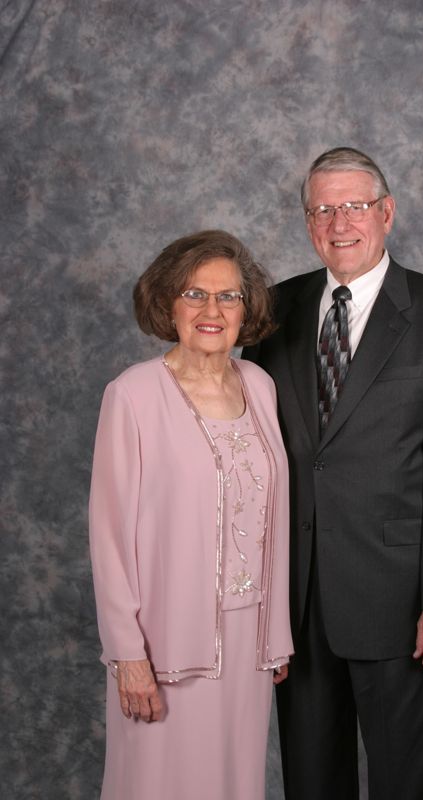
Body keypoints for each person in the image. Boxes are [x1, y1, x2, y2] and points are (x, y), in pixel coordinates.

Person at [242, 147, 423, 800]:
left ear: (386, 212)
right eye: (321, 209)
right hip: (297, 606)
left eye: (352, 205)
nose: (337, 222)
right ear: (306, 222)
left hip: (402, 606)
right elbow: (255, 458)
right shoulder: (274, 313)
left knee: (407, 781)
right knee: (311, 783)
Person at [89, 229, 293, 800]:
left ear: (245, 309)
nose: (212, 310)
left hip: (248, 645)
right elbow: (109, 539)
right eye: (194, 294)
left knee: (234, 784)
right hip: (164, 645)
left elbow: (273, 519)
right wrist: (127, 656)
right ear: (167, 304)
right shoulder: (132, 395)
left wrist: (275, 631)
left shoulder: (260, 386)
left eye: (228, 296)